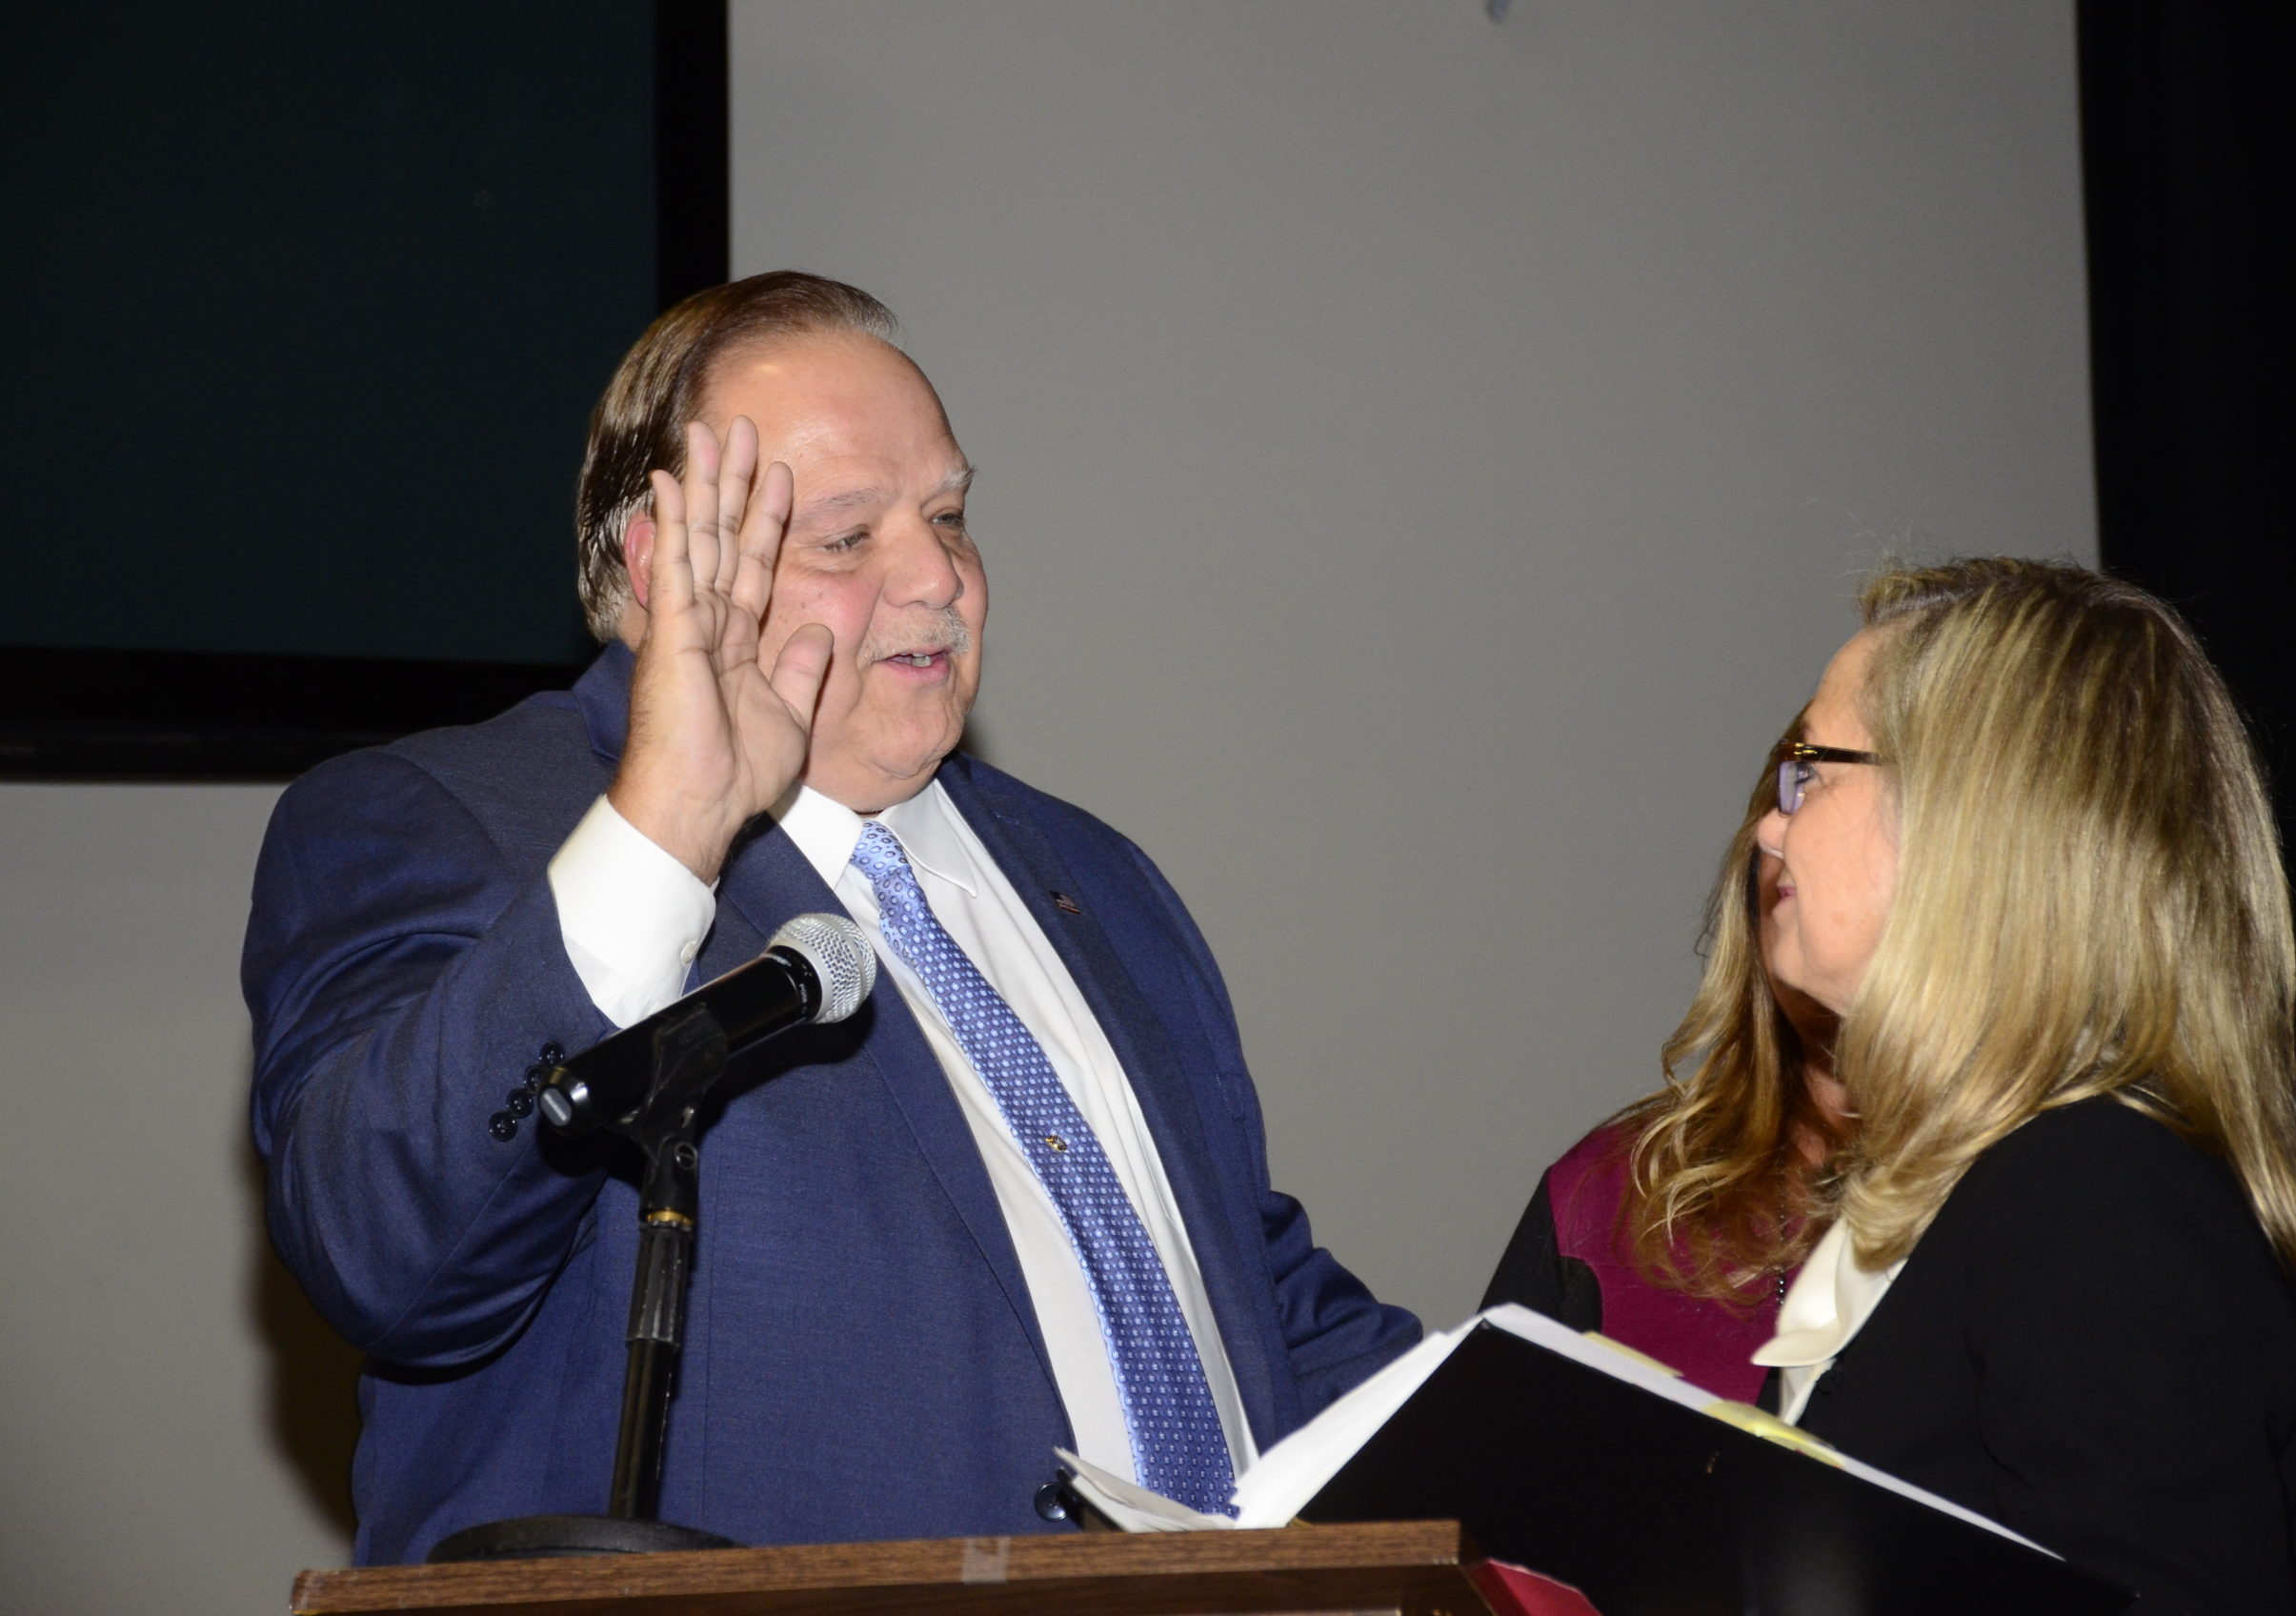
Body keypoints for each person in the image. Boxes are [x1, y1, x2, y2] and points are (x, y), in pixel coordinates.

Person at [244, 272, 1419, 1565]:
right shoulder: (441, 823)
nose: (940, 576)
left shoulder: (1101, 879)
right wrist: (668, 826)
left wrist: (1567, 1442)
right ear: (660, 570)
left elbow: (1247, 1306)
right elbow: (389, 1259)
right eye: (847, 539)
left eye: (950, 514)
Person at [1493, 557, 2296, 1611]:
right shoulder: (1963, 1187)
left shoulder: (2097, 1191)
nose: (1769, 823)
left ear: (1964, 817)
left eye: (1811, 769)